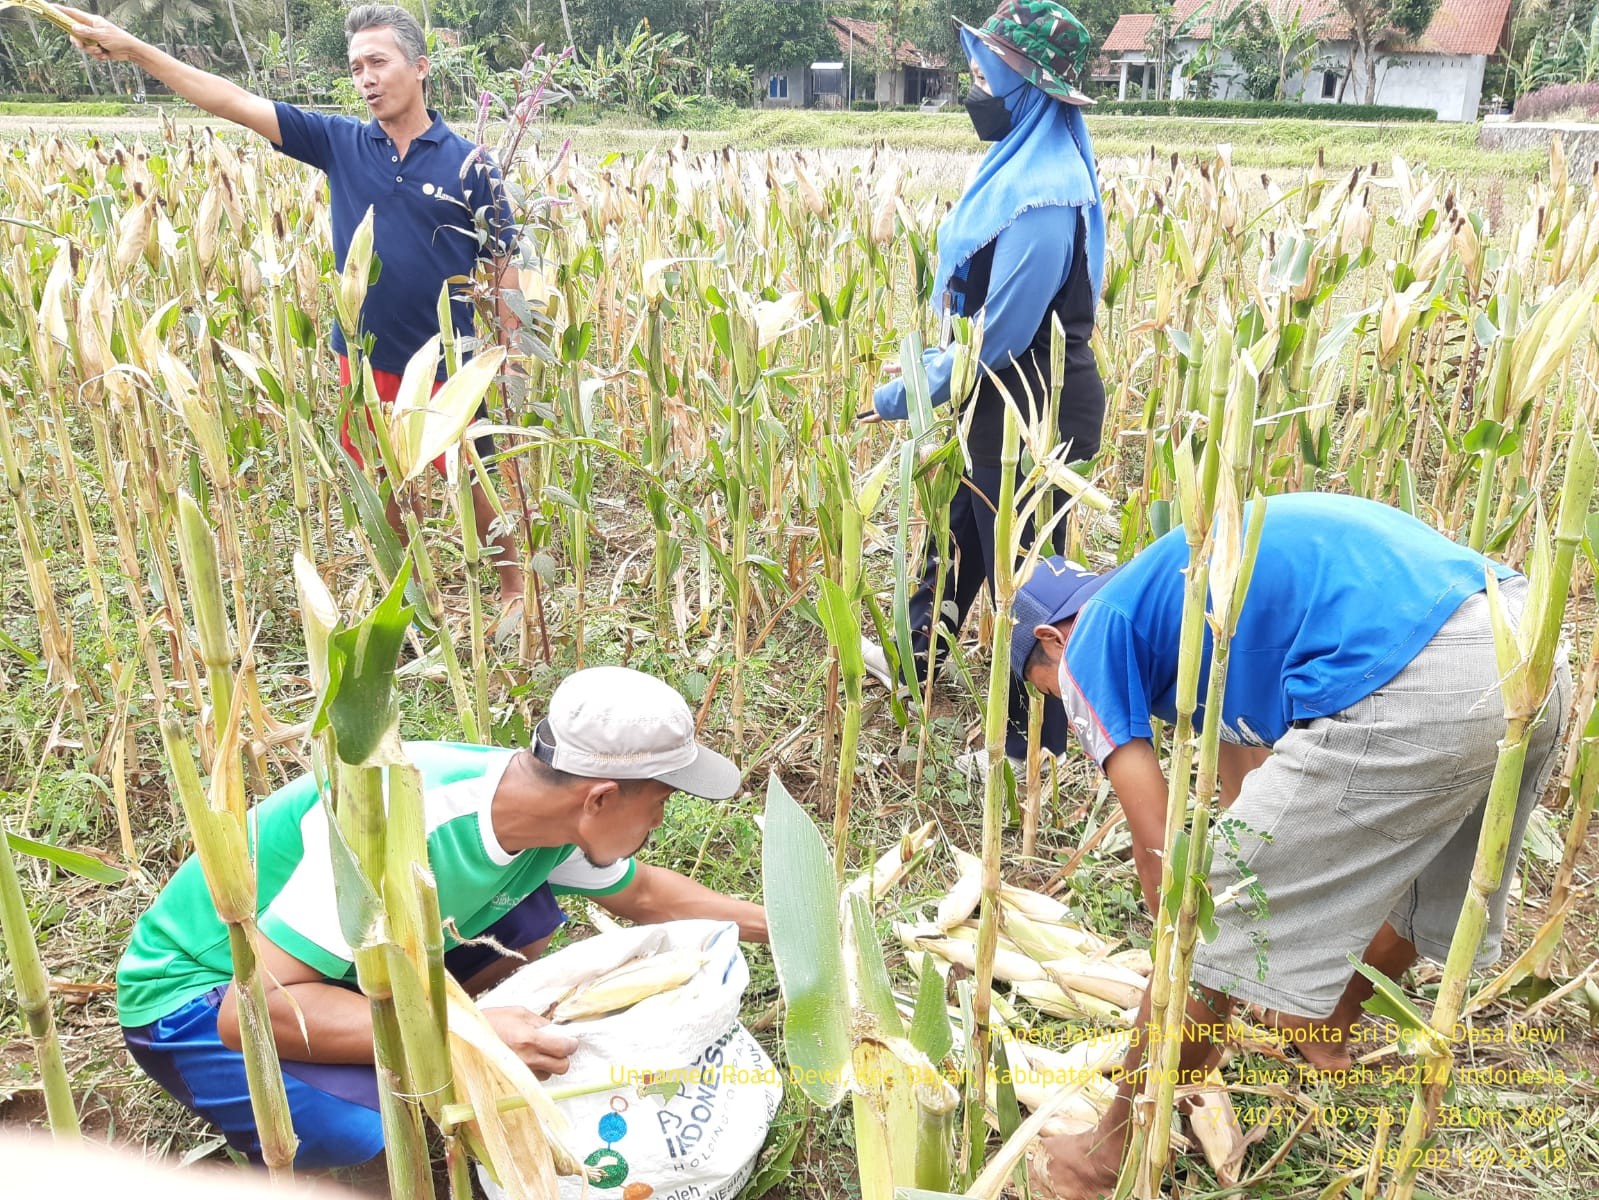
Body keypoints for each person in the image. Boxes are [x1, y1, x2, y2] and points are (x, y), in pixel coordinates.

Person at [1008, 493, 1570, 1198]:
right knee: (1428, 875)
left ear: (1049, 643)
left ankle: (1106, 1154)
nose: (1056, 702)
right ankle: (1326, 1022)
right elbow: (1255, 797)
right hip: (1525, 633)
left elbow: (1172, 878)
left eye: (1040, 691)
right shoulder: (1188, 600)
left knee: (1206, 910)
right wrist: (1266, 953)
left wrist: (1203, 959)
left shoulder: (1090, 641)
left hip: (1418, 667)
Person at [116, 667, 769, 1170]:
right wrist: (467, 1033)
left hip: (333, 969)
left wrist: (793, 925)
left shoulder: (546, 820)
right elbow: (250, 1011)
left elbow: (649, 897)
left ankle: (405, 1049)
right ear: (598, 798)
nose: (659, 821)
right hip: (199, 1001)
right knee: (364, 1132)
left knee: (526, 917)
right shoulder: (398, 820)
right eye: (658, 801)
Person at [64, 4, 527, 616]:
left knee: (474, 476)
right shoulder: (338, 142)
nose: (366, 77)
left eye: (378, 62)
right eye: (356, 66)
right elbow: (229, 100)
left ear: (419, 67)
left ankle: (515, 589)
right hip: (365, 358)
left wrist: (510, 358)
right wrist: (136, 49)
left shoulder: (471, 164)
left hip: (451, 361)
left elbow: (503, 269)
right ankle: (402, 592)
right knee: (385, 479)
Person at [862, 0, 1107, 774]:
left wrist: (909, 387)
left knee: (1027, 579)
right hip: (999, 395)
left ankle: (1031, 746)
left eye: (982, 78)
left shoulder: (1043, 195)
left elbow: (996, 337)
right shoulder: (1023, 170)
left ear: (1026, 90)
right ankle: (915, 660)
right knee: (961, 535)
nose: (974, 92)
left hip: (1034, 405)